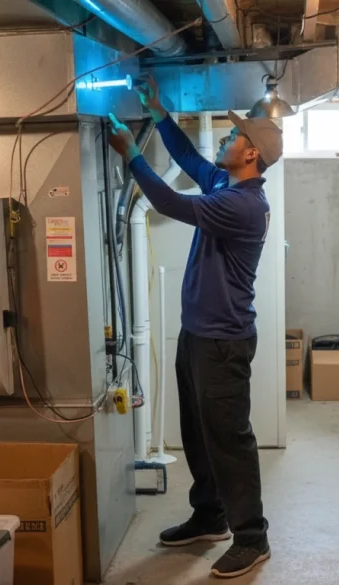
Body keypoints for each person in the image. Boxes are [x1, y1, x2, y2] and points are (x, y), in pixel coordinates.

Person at [107, 76, 281, 579]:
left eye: (235, 136)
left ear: (251, 154)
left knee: (229, 439)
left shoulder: (243, 205)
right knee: (199, 433)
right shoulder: (226, 184)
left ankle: (252, 538)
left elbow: (168, 202)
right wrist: (158, 112)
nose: (226, 138)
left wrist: (131, 154)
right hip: (199, 334)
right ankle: (210, 515)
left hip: (223, 342)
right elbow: (187, 159)